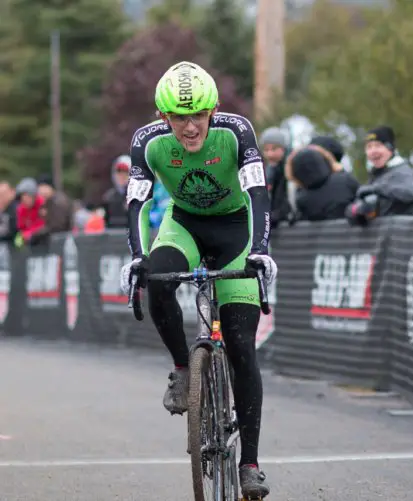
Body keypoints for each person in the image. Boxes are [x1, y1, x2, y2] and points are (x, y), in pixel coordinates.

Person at [118, 61, 276, 499]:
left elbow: (258, 193)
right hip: (184, 223)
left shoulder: (236, 132)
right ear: (162, 117)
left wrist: (260, 250)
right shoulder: (147, 144)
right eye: (178, 118)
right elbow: (135, 202)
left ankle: (250, 464)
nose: (190, 128)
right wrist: (136, 257)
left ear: (214, 110)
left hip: (235, 230)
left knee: (242, 345)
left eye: (198, 116)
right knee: (158, 277)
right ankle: (183, 369)